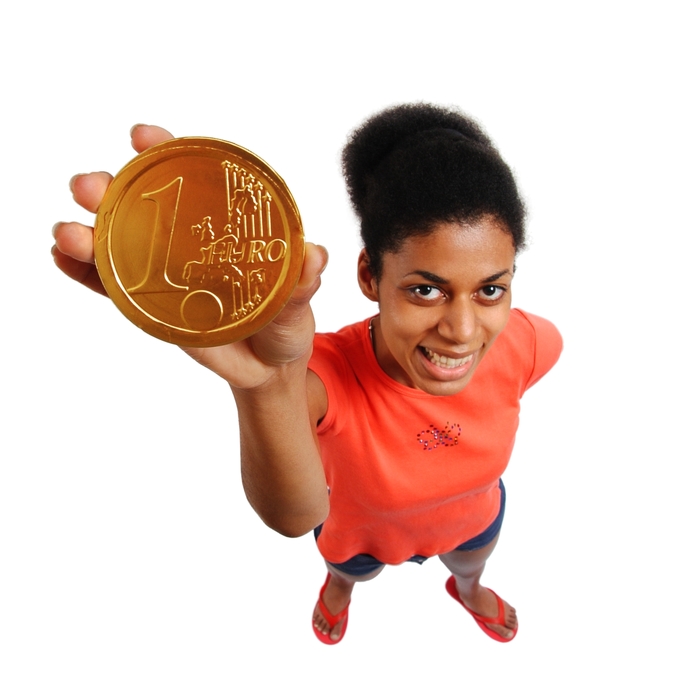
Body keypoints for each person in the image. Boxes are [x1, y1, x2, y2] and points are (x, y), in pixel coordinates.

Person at [52, 104, 562, 645]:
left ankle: (467, 587)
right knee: (349, 570)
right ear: (370, 275)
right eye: (425, 289)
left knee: (472, 561)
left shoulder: (527, 343)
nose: (462, 330)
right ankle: (338, 589)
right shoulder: (322, 377)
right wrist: (266, 386)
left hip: (472, 520)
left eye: (490, 289)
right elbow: (294, 515)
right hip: (360, 538)